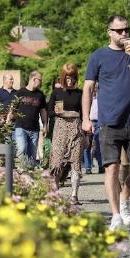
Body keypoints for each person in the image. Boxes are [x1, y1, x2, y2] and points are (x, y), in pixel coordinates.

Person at [81, 15, 130, 231]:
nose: (124, 33)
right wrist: (86, 118)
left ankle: (124, 199)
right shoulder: (98, 56)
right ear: (110, 32)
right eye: (119, 30)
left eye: (127, 29)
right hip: (109, 122)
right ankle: (116, 214)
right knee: (112, 169)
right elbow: (88, 88)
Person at [48, 63, 84, 204]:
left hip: (76, 129)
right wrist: (57, 113)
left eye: (72, 77)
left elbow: (83, 114)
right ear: (63, 77)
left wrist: (86, 135)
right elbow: (50, 112)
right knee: (57, 161)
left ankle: (74, 195)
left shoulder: (80, 93)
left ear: (75, 78)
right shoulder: (57, 93)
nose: (69, 80)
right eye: (67, 77)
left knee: (76, 162)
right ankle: (55, 192)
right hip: (60, 129)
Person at [10, 71, 48, 169]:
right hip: (20, 127)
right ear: (34, 80)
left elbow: (43, 111)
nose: (41, 82)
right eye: (40, 80)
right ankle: (21, 169)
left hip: (34, 129)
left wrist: (45, 125)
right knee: (21, 149)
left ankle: (29, 175)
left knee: (32, 155)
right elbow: (13, 108)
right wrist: (8, 119)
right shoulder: (20, 92)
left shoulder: (40, 95)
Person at [83, 85, 103, 174]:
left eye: (96, 87)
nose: (94, 89)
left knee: (99, 145)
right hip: (89, 121)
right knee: (87, 146)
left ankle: (101, 166)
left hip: (99, 122)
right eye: (93, 87)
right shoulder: (86, 98)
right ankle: (88, 167)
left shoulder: (101, 97)